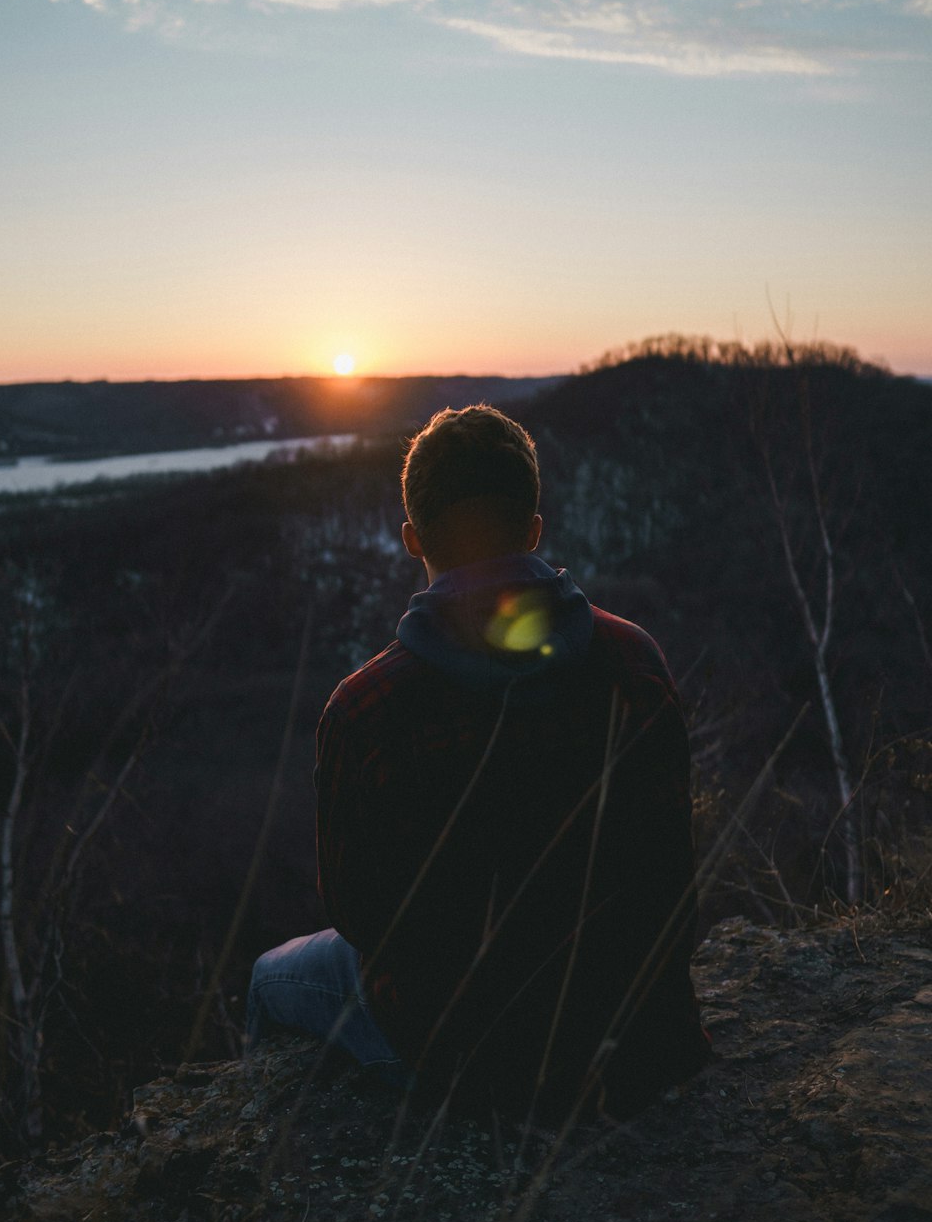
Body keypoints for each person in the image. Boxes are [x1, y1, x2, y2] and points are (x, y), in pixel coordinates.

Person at [247, 405, 709, 1121]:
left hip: (467, 1064)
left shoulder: (366, 708)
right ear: (533, 530)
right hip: (640, 1035)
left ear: (411, 539)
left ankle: (264, 1164)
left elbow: (357, 914)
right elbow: (671, 867)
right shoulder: (633, 661)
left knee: (268, 978)